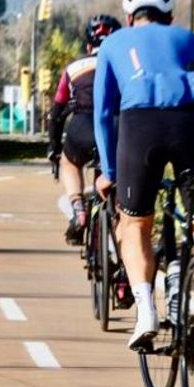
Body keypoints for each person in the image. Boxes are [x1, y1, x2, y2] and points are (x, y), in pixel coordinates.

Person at [93, 0, 194, 361]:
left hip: (141, 129)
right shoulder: (193, 40)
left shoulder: (112, 44)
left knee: (135, 224)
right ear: (170, 17)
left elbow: (104, 113)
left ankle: (146, 314)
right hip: (192, 127)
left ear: (128, 17)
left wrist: (108, 170)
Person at [49, 14, 122, 244]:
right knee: (121, 196)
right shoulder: (127, 64)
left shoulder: (73, 68)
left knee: (69, 162)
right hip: (117, 127)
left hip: (81, 128)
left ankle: (78, 208)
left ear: (88, 46)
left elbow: (56, 113)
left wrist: (54, 149)